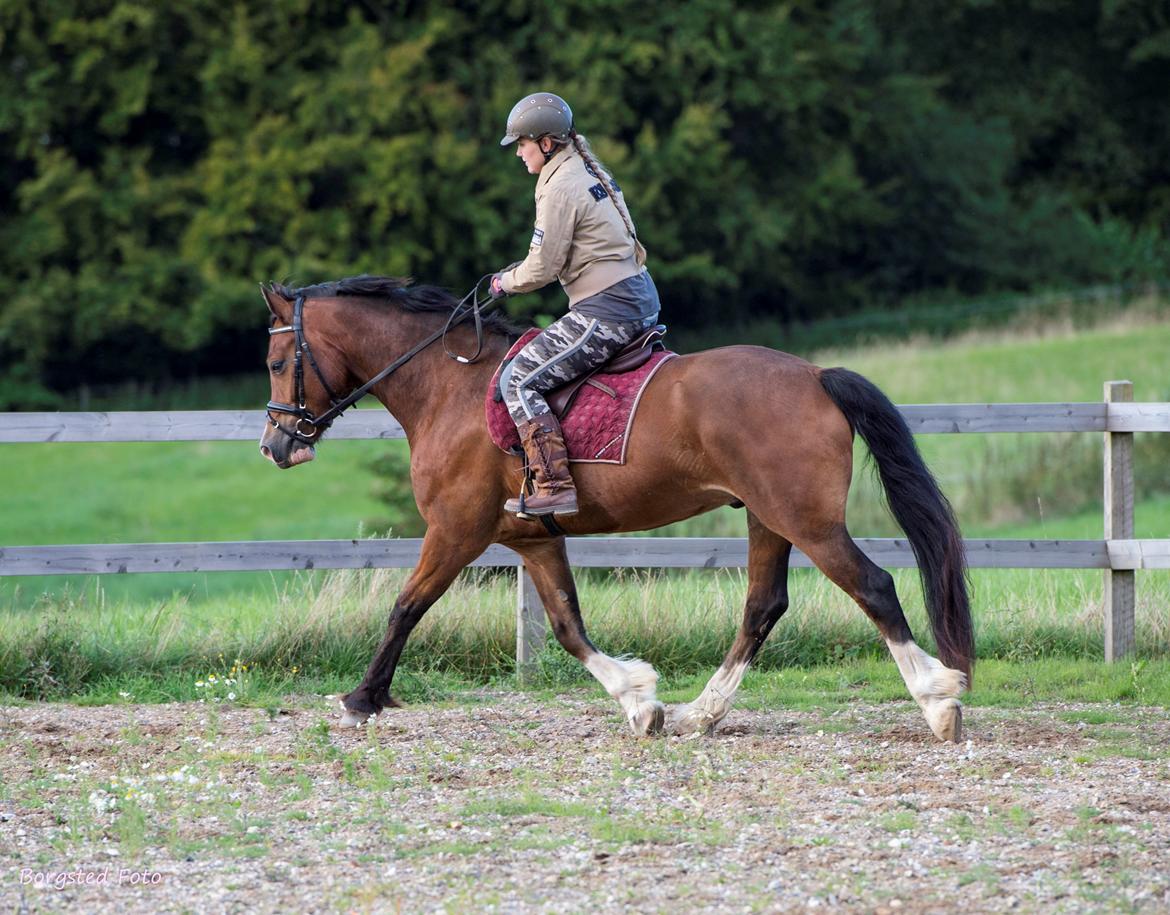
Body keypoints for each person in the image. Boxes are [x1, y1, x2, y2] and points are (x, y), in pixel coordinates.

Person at [491, 92, 661, 517]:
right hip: (634, 296)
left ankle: (553, 484)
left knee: (518, 380)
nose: (518, 153)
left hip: (607, 309)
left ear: (546, 144)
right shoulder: (583, 168)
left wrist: (504, 282)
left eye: (522, 144)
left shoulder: (560, 185)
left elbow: (544, 266)